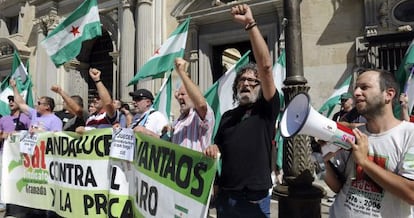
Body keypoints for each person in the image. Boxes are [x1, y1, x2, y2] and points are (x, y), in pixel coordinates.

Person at [204, 4, 279, 217]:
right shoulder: (228, 117)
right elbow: (218, 147)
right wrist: (212, 149)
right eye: (242, 80)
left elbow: (265, 66)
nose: (246, 83)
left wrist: (250, 24)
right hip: (226, 198)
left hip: (254, 199)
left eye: (252, 80)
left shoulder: (267, 109)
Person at [324, 69, 414, 217]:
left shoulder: (410, 135)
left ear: (388, 94)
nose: (357, 93)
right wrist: (322, 162)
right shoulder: (353, 135)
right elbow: (339, 186)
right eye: (356, 88)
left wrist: (364, 162)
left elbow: (411, 193)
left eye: (364, 87)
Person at [171, 58, 215, 152]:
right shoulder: (178, 122)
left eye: (183, 94)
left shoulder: (200, 116)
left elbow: (201, 104)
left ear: (192, 96)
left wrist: (181, 72)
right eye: (178, 95)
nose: (179, 97)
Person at [76, 68, 118, 133]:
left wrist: (97, 80)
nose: (95, 99)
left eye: (98, 97)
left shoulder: (109, 115)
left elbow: (108, 103)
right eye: (94, 97)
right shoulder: (90, 118)